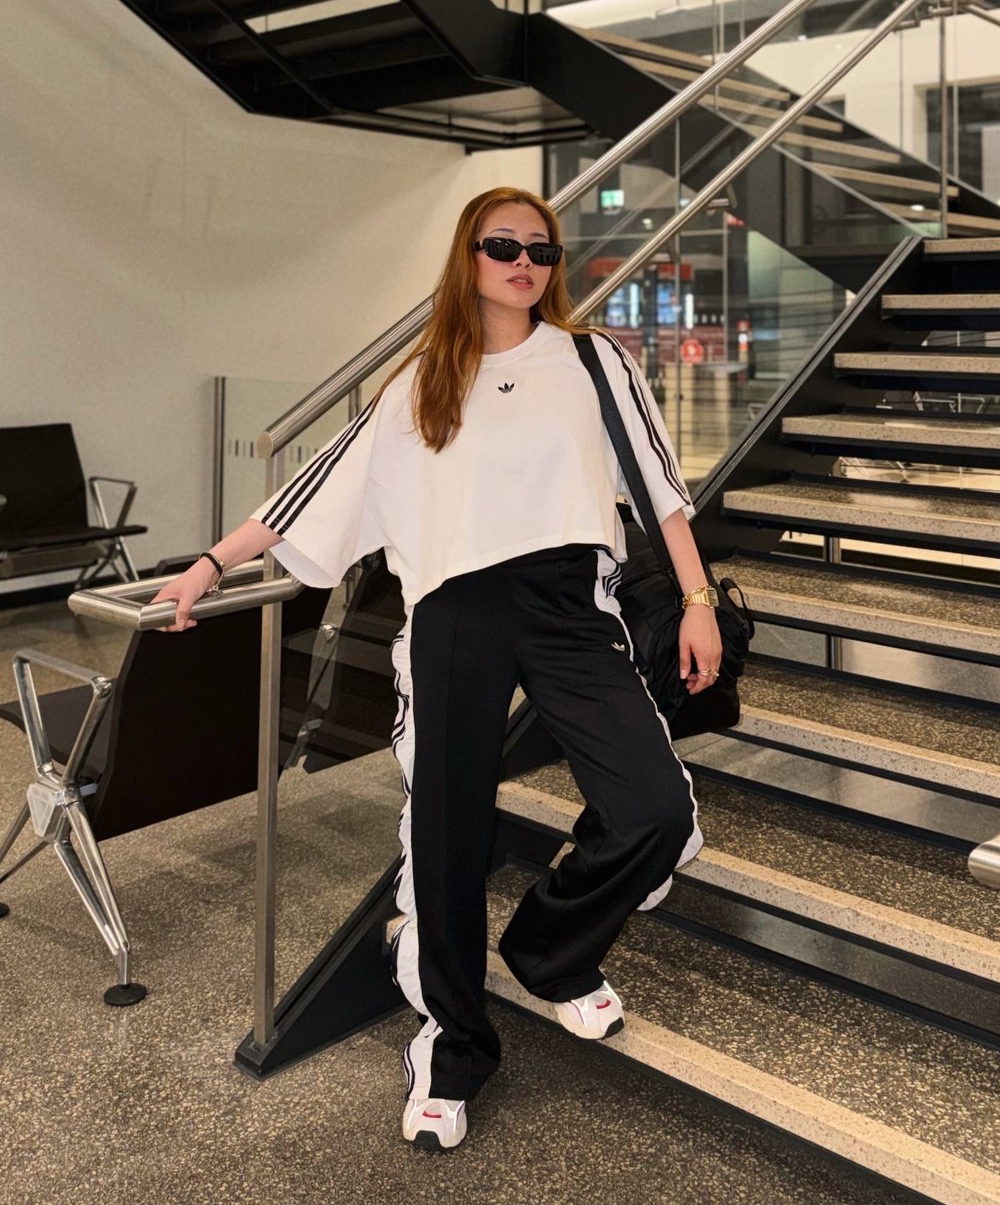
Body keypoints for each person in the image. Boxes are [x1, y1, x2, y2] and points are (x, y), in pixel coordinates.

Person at [152, 186, 722, 1153]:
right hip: (455, 609)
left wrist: (698, 602)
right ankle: (454, 1048)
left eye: (540, 250)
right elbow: (314, 486)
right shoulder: (420, 379)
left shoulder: (596, 363)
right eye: (503, 246)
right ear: (468, 257)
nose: (524, 263)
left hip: (567, 604)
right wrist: (210, 563)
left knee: (655, 808)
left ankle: (548, 955)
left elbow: (661, 491)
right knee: (447, 835)